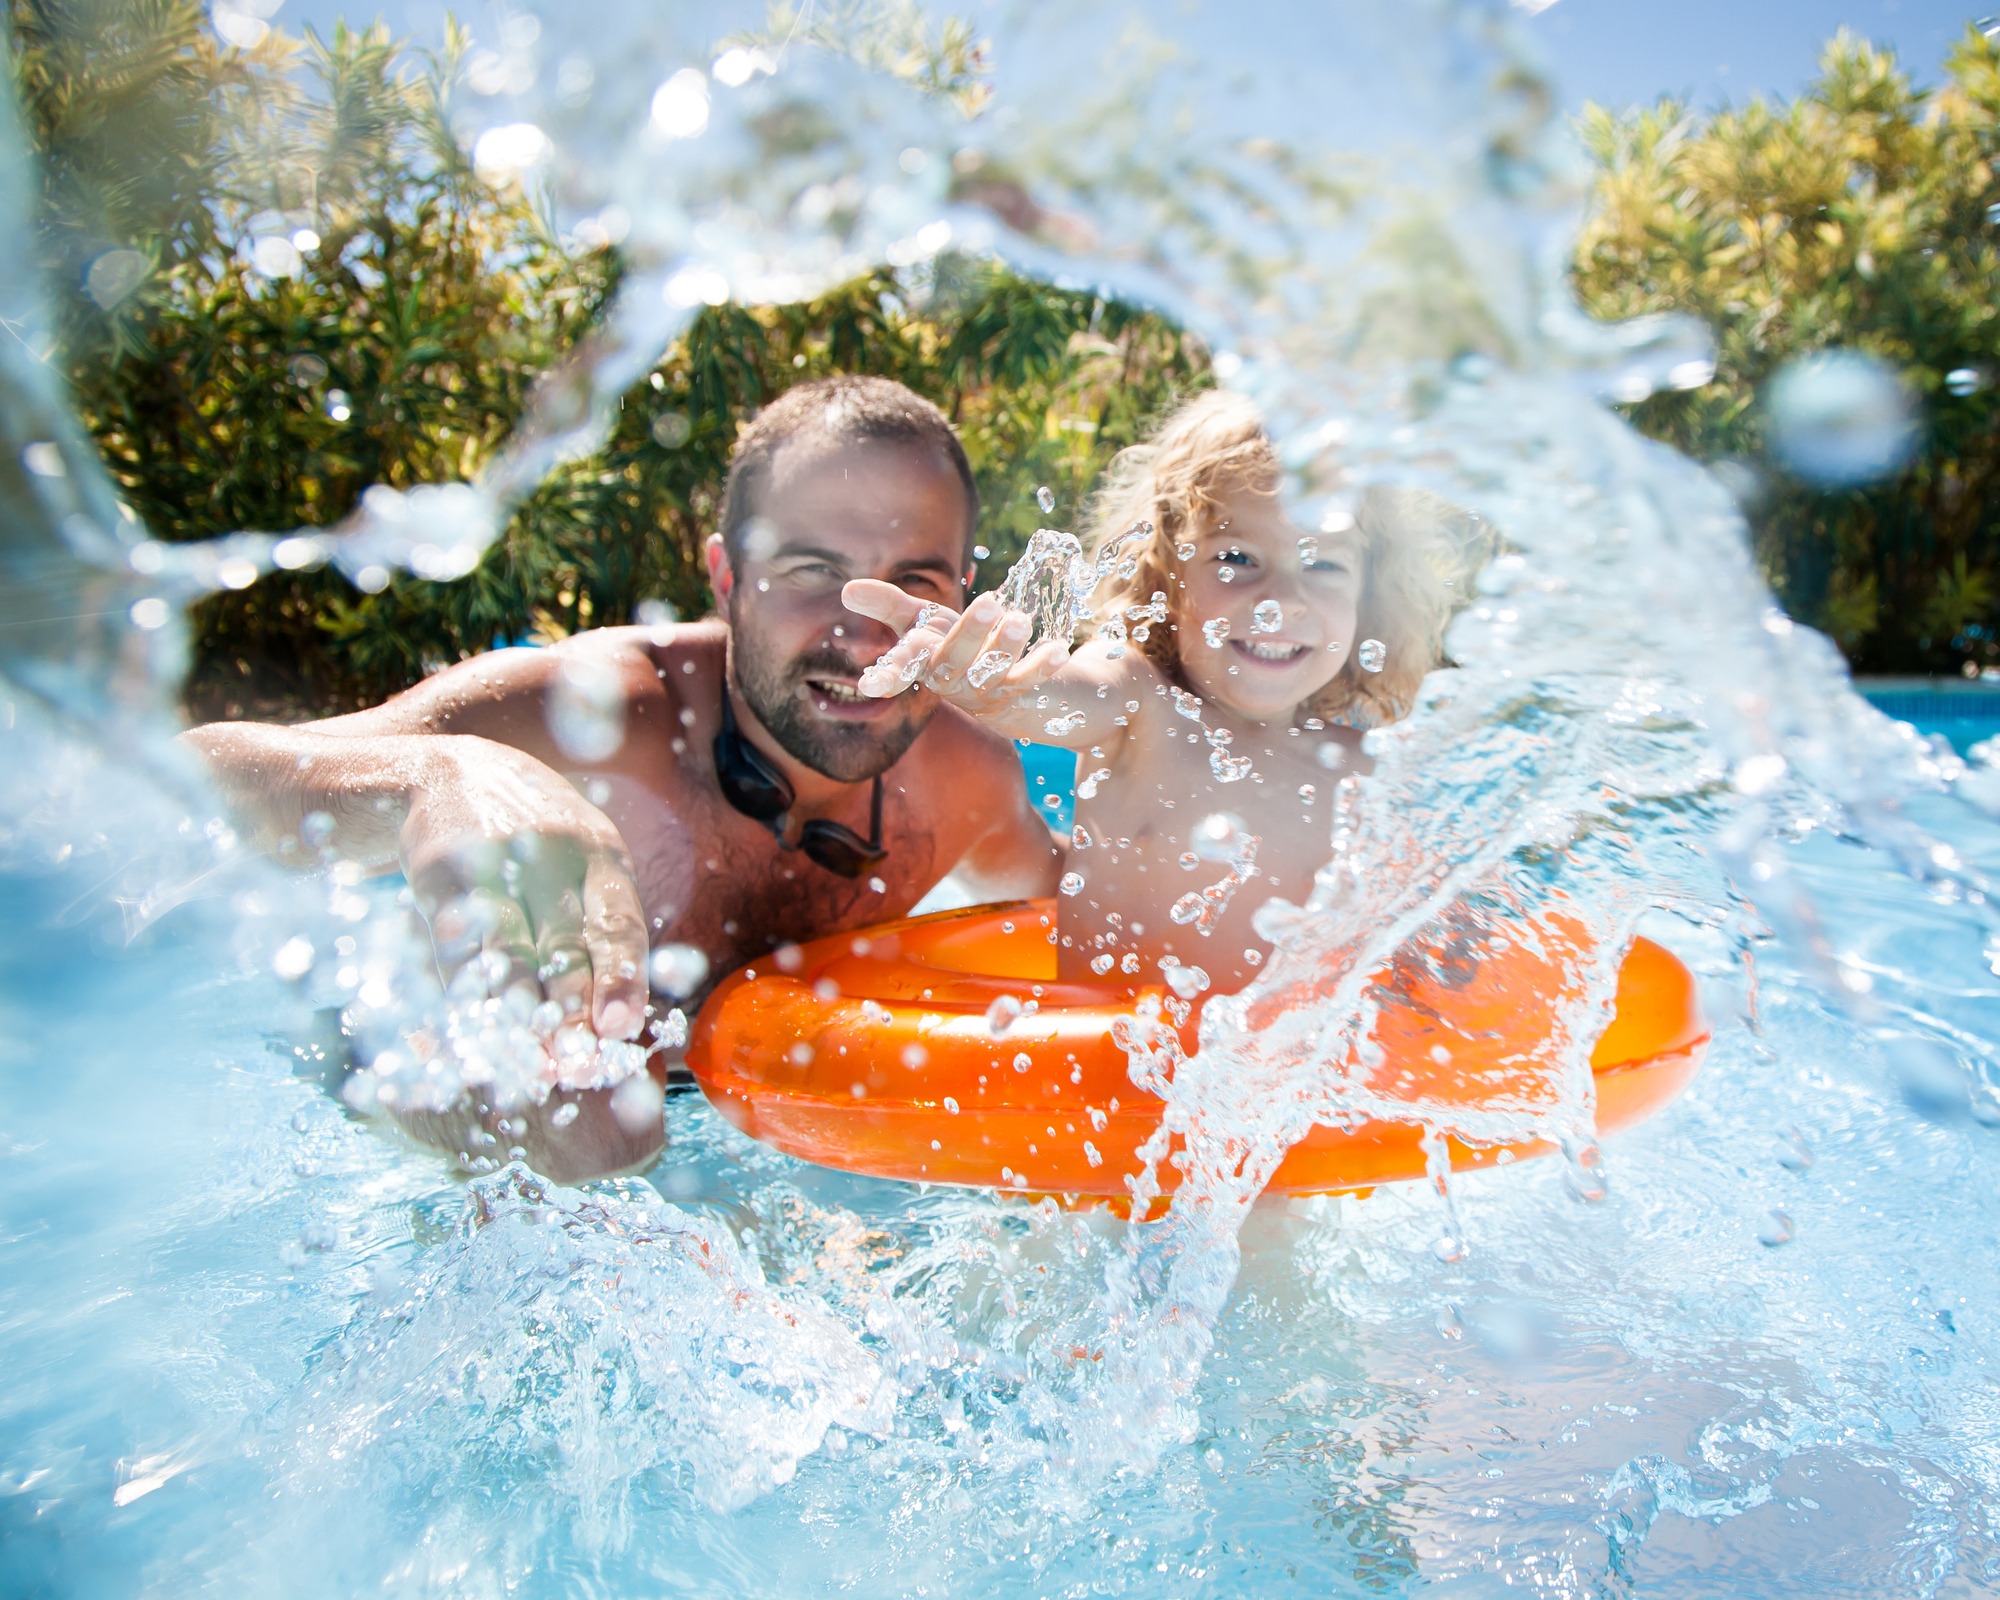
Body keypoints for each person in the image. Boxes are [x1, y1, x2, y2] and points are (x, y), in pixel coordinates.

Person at [187, 376, 1063, 1179]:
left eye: (912, 581)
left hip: (739, 1151)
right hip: (402, 1124)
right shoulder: (591, 717)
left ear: (962, 590)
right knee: (596, 1123)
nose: (867, 635)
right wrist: (438, 777)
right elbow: (195, 781)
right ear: (727, 578)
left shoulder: (968, 777)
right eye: (813, 572)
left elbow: (1093, 913)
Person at [844, 388, 1459, 996]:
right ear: (1169, 571)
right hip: (1106, 1073)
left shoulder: (1363, 772)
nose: (1279, 601)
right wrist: (996, 689)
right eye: (1237, 558)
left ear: (1368, 598)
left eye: (1323, 565)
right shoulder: (1142, 699)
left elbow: (1407, 956)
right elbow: (1064, 697)